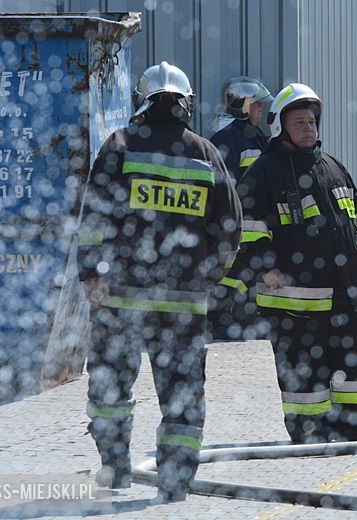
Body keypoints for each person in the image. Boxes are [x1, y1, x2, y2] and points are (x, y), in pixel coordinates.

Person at [76, 61, 241, 502]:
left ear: (144, 102)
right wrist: (207, 278)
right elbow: (228, 229)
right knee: (183, 393)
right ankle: (175, 481)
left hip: (121, 299)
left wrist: (92, 273)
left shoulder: (120, 146)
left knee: (111, 385)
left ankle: (115, 465)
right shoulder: (205, 153)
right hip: (182, 304)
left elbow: (95, 218)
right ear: (184, 103)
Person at [229, 83, 357, 443]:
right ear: (280, 127)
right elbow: (246, 231)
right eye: (300, 122)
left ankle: (356, 422)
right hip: (293, 299)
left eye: (312, 122)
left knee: (350, 357)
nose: (309, 129)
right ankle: (309, 429)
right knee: (303, 365)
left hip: (344, 291)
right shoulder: (263, 173)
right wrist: (264, 267)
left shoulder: (332, 167)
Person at [207, 76, 273, 340]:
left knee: (246, 279)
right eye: (256, 106)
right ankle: (220, 323)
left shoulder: (255, 137)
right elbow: (225, 187)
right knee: (229, 277)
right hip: (237, 228)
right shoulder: (226, 138)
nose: (261, 110)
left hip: (256, 229)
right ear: (243, 106)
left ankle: (239, 323)